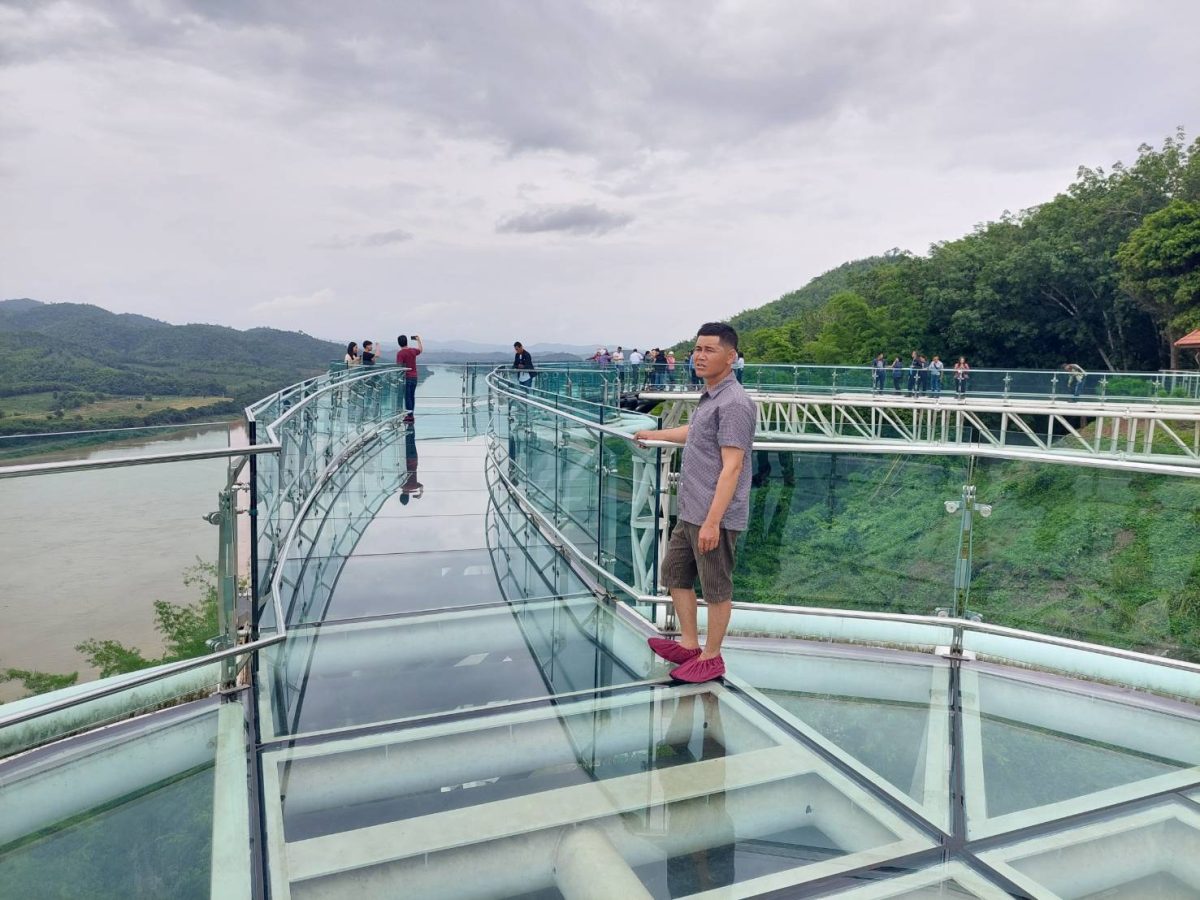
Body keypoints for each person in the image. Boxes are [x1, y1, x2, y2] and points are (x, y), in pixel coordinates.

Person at [633, 322, 756, 683]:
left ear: (730, 357)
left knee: (716, 587)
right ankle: (689, 644)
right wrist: (653, 434)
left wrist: (713, 522)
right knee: (674, 573)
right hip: (691, 508)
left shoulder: (735, 403)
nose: (700, 356)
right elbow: (694, 433)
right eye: (697, 349)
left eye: (709, 350)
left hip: (714, 515)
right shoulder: (711, 395)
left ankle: (712, 657)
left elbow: (733, 467)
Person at [395, 334, 423, 422]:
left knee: (407, 397)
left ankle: (409, 416)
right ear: (406, 341)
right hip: (414, 377)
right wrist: (418, 340)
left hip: (407, 377)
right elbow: (420, 350)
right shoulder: (413, 351)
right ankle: (411, 414)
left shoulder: (400, 353)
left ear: (399, 343)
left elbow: (399, 367)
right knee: (412, 396)